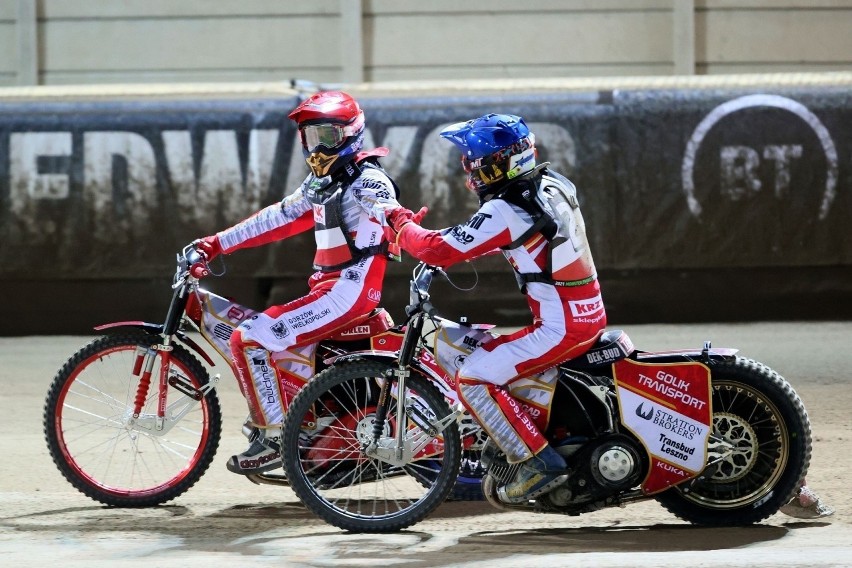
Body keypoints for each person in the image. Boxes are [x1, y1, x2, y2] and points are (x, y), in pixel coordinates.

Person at [384, 113, 607, 503]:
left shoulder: (507, 209)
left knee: (473, 375)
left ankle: (536, 460)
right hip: (582, 312)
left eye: (477, 164)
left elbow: (439, 248)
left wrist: (399, 223)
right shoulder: (549, 184)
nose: (471, 172)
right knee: (487, 352)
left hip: (561, 325)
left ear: (503, 163)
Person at [190, 91, 405, 475]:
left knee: (250, 336)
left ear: (351, 134)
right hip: (331, 291)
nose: (317, 147)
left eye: (327, 136)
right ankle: (306, 423)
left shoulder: (368, 179)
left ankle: (276, 436)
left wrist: (407, 224)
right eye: (310, 137)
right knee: (264, 336)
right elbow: (278, 218)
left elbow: (389, 211)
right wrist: (217, 243)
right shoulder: (320, 182)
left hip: (346, 293)